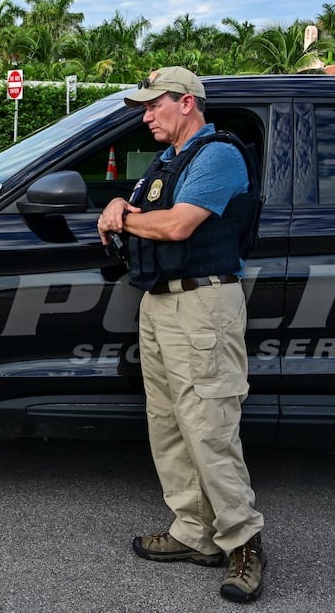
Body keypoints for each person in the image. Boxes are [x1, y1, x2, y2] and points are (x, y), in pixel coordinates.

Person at [96, 67, 266, 603]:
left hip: (203, 302)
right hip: (161, 302)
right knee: (168, 423)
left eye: (154, 105)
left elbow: (176, 226)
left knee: (209, 424)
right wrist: (123, 204)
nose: (145, 116)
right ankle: (194, 533)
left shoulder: (217, 155)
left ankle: (244, 542)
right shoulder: (168, 163)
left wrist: (122, 216)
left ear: (187, 103)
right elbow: (148, 212)